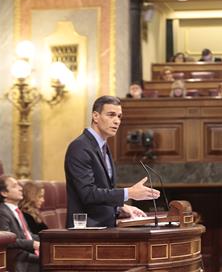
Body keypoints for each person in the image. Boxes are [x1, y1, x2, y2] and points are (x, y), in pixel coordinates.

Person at [64, 96, 160, 228]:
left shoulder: (103, 146)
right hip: (86, 231)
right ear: (95, 116)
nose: (116, 121)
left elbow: (103, 190)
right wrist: (128, 193)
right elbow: (87, 194)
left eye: (119, 117)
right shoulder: (80, 147)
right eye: (111, 115)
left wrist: (120, 207)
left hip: (105, 228)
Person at [0, 175, 40, 272]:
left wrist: (49, 239)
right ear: (4, 193)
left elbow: (28, 235)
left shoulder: (17, 211)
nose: (20, 188)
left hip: (28, 254)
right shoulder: (0, 214)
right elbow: (4, 240)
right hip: (18, 261)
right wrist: (32, 244)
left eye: (19, 185)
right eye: (14, 186)